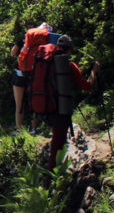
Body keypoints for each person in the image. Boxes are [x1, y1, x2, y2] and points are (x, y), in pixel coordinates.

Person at [34, 35, 98, 170]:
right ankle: (51, 180)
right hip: (60, 110)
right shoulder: (69, 66)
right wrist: (93, 71)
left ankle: (54, 175)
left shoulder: (46, 63)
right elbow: (87, 87)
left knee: (57, 143)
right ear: (69, 50)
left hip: (45, 106)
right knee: (58, 146)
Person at [10, 22, 59, 130]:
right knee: (35, 100)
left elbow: (13, 53)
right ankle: (34, 129)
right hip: (35, 74)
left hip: (19, 73)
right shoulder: (47, 41)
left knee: (19, 105)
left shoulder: (25, 37)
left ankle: (19, 130)